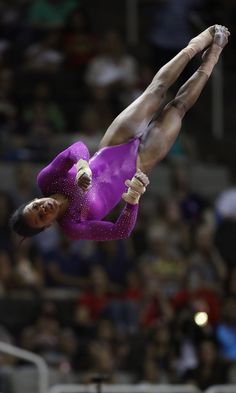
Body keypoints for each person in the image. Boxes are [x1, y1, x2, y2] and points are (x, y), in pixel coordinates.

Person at [10, 25, 230, 242]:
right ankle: (212, 58)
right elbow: (119, 231)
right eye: (40, 217)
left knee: (156, 90)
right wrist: (132, 201)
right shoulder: (73, 227)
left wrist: (82, 166)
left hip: (115, 143)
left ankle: (198, 42)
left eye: (35, 206)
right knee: (177, 109)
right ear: (47, 226)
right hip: (138, 166)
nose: (43, 209)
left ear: (34, 199)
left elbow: (75, 149)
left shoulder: (48, 181)